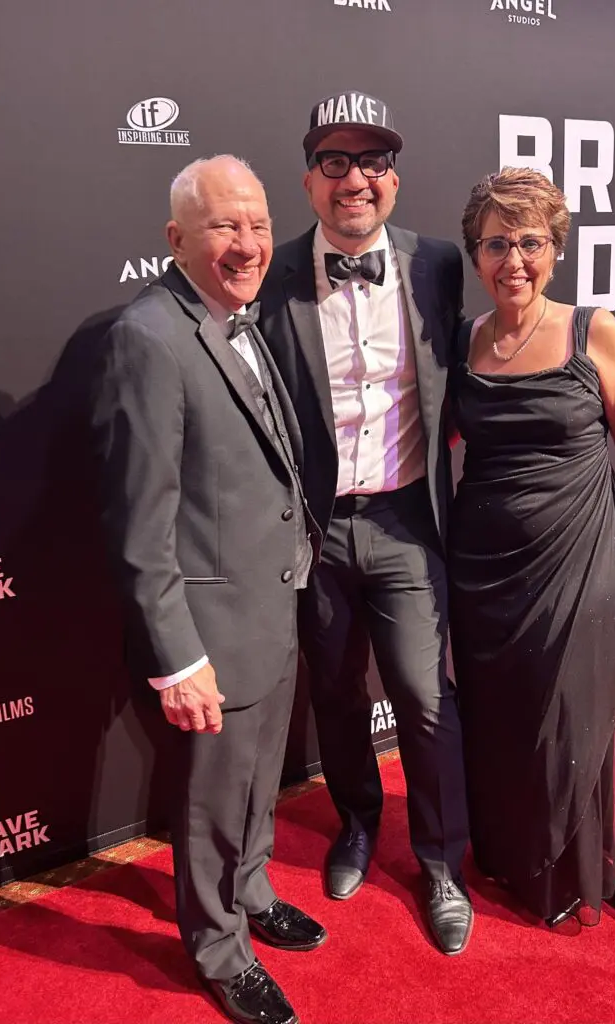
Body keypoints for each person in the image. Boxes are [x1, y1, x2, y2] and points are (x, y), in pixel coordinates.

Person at [90, 155, 325, 1024]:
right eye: (226, 225)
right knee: (212, 802)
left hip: (272, 606)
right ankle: (219, 948)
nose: (248, 243)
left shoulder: (241, 319)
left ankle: (254, 891)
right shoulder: (148, 339)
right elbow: (138, 523)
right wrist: (178, 657)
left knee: (259, 785)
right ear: (177, 237)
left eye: (259, 225)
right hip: (211, 632)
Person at [258, 91, 472, 955]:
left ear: (395, 177)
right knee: (339, 697)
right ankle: (355, 826)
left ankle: (442, 863)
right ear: (309, 180)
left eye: (373, 162)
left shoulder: (440, 265)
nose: (357, 179)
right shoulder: (268, 274)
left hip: (407, 520)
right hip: (313, 531)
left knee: (423, 699)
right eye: (336, 162)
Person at [448, 167, 615, 929]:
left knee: (565, 715)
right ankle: (504, 854)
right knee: (499, 716)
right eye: (497, 244)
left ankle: (565, 870)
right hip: (482, 568)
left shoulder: (591, 330)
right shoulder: (463, 341)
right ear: (475, 254)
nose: (515, 262)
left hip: (576, 554)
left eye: (530, 242)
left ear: (555, 248)